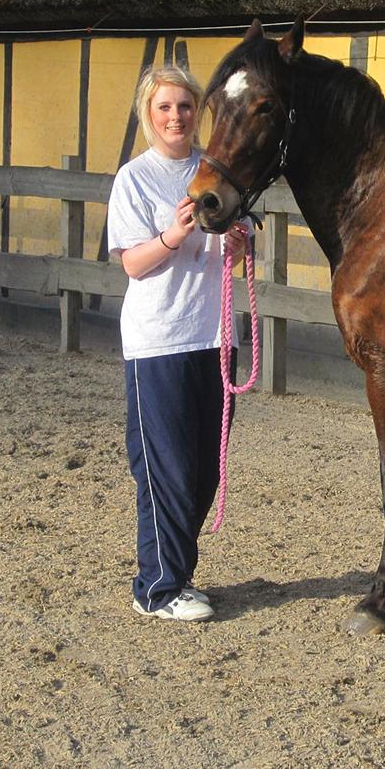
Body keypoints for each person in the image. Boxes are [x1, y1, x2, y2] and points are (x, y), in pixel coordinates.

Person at [107, 64, 249, 622]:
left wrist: (236, 243)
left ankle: (176, 573)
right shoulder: (134, 180)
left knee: (204, 469)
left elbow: (233, 259)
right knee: (164, 467)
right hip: (157, 341)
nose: (176, 117)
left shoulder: (213, 174)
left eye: (185, 107)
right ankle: (158, 588)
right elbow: (133, 265)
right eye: (165, 107)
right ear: (149, 114)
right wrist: (174, 234)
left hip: (213, 337)